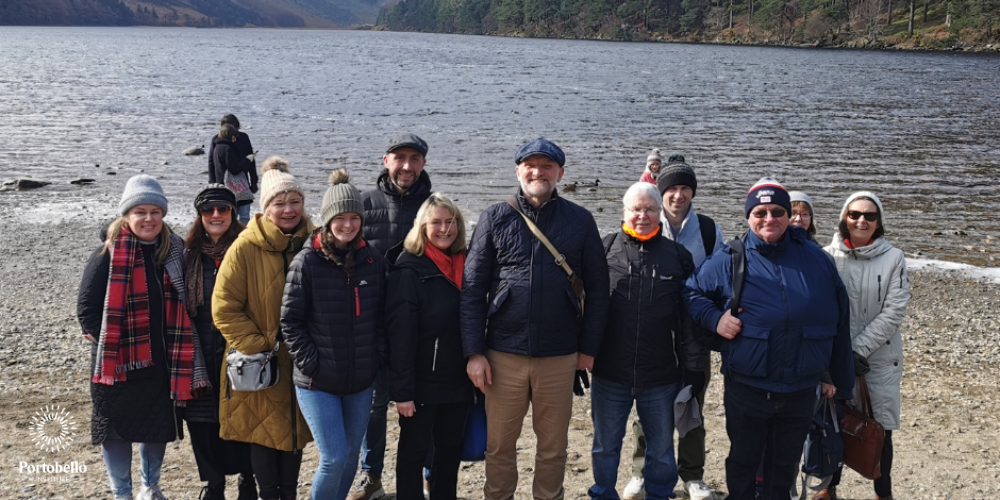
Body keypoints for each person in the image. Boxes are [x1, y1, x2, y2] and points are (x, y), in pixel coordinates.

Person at [683, 178, 855, 500]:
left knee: (784, 467)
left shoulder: (816, 260)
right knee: (744, 463)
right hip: (747, 386)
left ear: (789, 215)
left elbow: (840, 320)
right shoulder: (731, 257)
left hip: (800, 389)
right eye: (759, 212)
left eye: (777, 211)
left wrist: (840, 381)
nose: (769, 219)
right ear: (748, 216)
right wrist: (715, 318)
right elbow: (692, 291)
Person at [462, 138, 611, 500]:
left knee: (552, 448)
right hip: (502, 355)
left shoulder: (581, 220)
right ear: (518, 171)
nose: (538, 172)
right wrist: (474, 352)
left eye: (547, 166)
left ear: (560, 173)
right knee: (498, 446)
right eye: (531, 165)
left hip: (560, 356)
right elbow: (471, 289)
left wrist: (588, 350)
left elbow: (599, 290)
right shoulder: (495, 217)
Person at [77, 174, 210, 500]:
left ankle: (150, 488)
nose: (148, 219)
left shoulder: (174, 250)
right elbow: (86, 309)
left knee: (156, 428)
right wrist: (112, 345)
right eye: (140, 212)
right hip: (117, 366)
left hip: (162, 362)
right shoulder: (107, 253)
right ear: (127, 215)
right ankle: (122, 493)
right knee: (117, 433)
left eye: (155, 211)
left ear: (162, 214)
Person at [589, 182, 701, 500]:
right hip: (610, 372)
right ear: (624, 212)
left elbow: (689, 318)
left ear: (660, 213)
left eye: (650, 209)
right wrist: (581, 354)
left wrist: (693, 366)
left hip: (661, 374)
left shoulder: (678, 256)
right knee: (605, 445)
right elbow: (582, 306)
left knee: (662, 448)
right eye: (636, 209)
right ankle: (603, 493)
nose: (642, 215)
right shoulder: (604, 249)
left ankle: (659, 494)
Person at [281, 168, 388, 500]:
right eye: (340, 218)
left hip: (359, 380)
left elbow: (383, 318)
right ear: (328, 220)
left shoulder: (372, 260)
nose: (348, 225)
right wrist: (313, 364)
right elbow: (290, 322)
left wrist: (376, 358)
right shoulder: (307, 262)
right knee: (334, 458)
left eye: (354, 217)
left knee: (352, 458)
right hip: (318, 382)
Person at [213, 157, 314, 500]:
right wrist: (260, 345)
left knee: (294, 430)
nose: (289, 209)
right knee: (262, 433)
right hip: (259, 361)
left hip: (302, 358)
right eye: (280, 203)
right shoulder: (245, 246)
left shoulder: (313, 242)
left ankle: (289, 495)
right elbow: (223, 307)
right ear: (266, 208)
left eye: (295, 201)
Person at [625, 160, 725, 500]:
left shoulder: (709, 230)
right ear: (659, 193)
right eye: (670, 189)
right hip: (652, 331)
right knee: (648, 405)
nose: (678, 195)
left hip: (695, 332)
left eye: (685, 188)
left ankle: (693, 475)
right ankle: (642, 471)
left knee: (692, 403)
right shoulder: (645, 220)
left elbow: (721, 281)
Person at [352, 132, 434, 500]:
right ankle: (371, 475)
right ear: (385, 161)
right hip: (370, 323)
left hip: (422, 327)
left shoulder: (434, 207)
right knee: (374, 406)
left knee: (423, 403)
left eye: (414, 159)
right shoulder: (362, 203)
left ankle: (430, 472)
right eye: (399, 158)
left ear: (423, 164)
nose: (406, 166)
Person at [818, 192, 910, 500]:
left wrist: (858, 349)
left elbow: (895, 310)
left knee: (880, 431)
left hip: (879, 359)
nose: (862, 221)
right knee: (834, 425)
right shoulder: (826, 256)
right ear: (844, 217)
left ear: (879, 222)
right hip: (835, 359)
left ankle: (883, 494)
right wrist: (839, 355)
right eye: (855, 214)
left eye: (870, 216)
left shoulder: (894, 257)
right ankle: (828, 490)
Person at [386, 193, 473, 500]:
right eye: (436, 222)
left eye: (451, 222)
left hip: (459, 380)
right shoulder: (408, 271)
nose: (445, 229)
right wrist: (403, 393)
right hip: (422, 383)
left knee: (450, 451)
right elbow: (400, 338)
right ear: (422, 226)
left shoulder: (468, 264)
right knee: (413, 453)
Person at [182, 185, 256, 500]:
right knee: (201, 420)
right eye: (208, 209)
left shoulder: (248, 248)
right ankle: (212, 484)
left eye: (223, 209)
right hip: (197, 346)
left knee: (245, 415)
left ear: (232, 212)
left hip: (238, 345)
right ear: (199, 215)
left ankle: (247, 480)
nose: (216, 215)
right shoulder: (186, 254)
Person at [208, 114, 258, 223]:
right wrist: (253, 181)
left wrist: (212, 184)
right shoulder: (239, 139)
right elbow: (250, 162)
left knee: (228, 215)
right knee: (242, 216)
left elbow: (211, 163)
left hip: (225, 185)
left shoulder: (217, 140)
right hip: (241, 184)